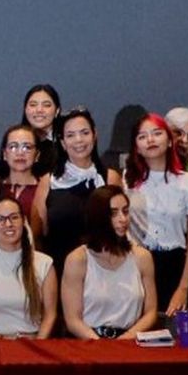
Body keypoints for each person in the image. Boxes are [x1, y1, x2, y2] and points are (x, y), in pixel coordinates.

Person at [125, 113, 188, 316]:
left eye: (157, 133)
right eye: (142, 136)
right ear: (136, 146)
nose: (150, 140)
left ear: (170, 140)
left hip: (175, 265)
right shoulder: (128, 180)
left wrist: (183, 287)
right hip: (136, 264)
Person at [60, 185, 157, 339]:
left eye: (125, 211)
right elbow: (72, 319)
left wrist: (126, 339)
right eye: (114, 213)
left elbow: (151, 312)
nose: (123, 219)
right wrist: (99, 344)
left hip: (130, 341)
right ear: (98, 217)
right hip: (89, 342)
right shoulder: (77, 259)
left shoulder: (142, 257)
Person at [35, 109, 122, 268]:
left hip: (105, 270)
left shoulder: (110, 178)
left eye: (84, 133)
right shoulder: (48, 182)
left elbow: (121, 229)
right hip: (59, 269)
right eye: (70, 135)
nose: (79, 140)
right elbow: (39, 236)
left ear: (94, 135)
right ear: (62, 143)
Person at [0, 196, 57, 339]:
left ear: (24, 221)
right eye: (0, 219)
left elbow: (50, 314)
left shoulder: (44, 263)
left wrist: (39, 343)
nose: (8, 224)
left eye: (14, 217)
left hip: (34, 345)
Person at [0, 124, 44, 231]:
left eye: (27, 147)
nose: (20, 153)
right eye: (13, 147)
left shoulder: (46, 189)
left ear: (37, 155)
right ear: (4, 154)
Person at [20, 84, 60, 175]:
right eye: (33, 105)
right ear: (25, 109)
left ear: (57, 110)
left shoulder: (66, 142)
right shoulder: (14, 140)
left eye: (46, 105)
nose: (39, 110)